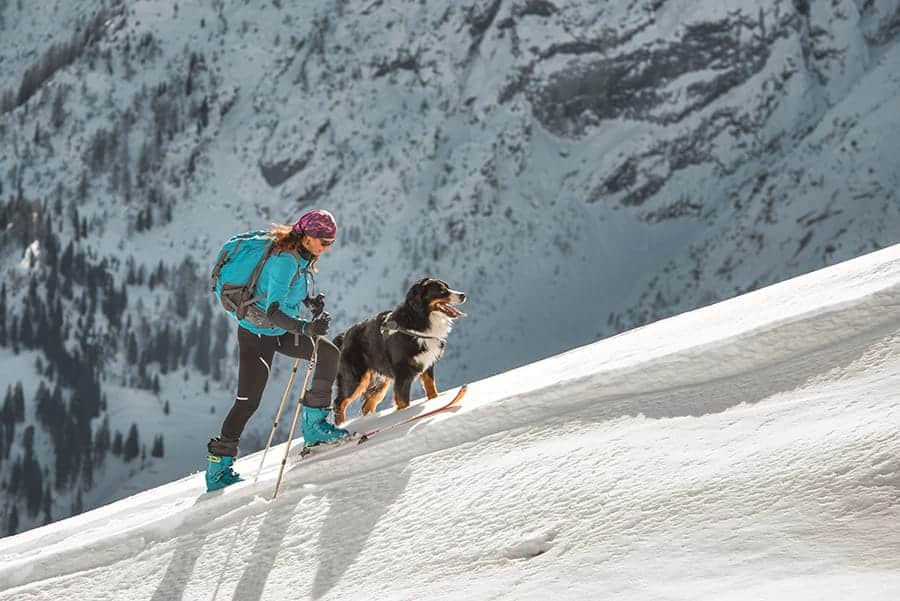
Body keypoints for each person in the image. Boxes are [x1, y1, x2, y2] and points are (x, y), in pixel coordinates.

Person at [206, 209, 349, 491]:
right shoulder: (285, 260)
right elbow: (272, 311)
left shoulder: (304, 257)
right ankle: (217, 468)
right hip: (257, 334)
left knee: (328, 354)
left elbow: (284, 296)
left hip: (281, 331)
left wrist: (310, 304)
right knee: (248, 401)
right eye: (324, 241)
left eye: (331, 242)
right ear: (307, 236)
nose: (327, 247)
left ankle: (315, 428)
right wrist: (306, 329)